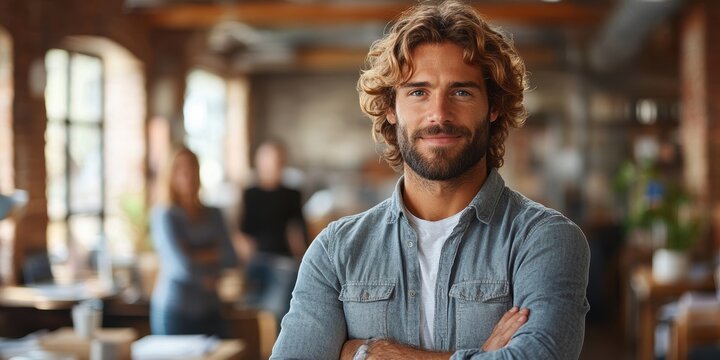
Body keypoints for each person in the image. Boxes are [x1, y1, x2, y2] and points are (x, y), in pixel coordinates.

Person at [271, 1, 590, 359]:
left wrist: (372, 354)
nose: (439, 114)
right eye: (418, 92)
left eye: (461, 91)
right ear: (391, 108)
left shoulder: (545, 239)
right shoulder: (336, 252)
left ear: (494, 105)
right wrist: (483, 354)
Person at [150, 147, 238, 337]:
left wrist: (193, 252)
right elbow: (182, 266)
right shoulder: (165, 215)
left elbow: (231, 257)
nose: (187, 173)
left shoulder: (214, 213)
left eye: (192, 166)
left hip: (212, 309)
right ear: (169, 175)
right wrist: (211, 253)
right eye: (179, 168)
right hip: (176, 312)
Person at [239, 140, 308, 326]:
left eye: (277, 159)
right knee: (248, 307)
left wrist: (301, 259)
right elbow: (244, 231)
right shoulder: (250, 193)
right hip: (257, 259)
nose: (272, 164)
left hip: (282, 261)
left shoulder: (292, 193)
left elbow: (298, 229)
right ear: (259, 161)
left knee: (275, 311)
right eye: (268, 158)